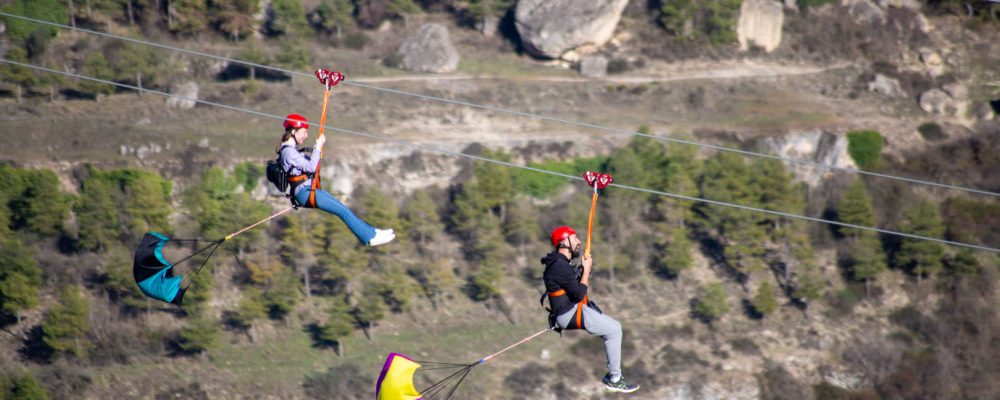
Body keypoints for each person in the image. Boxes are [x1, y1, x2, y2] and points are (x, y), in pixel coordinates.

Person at [541, 226, 639, 393]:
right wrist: (586, 270)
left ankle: (614, 376)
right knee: (614, 330)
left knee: (613, 326)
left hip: (568, 310)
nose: (579, 241)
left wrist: (582, 270)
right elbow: (579, 294)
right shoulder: (559, 266)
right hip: (568, 313)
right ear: (564, 242)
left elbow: (571, 286)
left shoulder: (560, 263)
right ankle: (615, 378)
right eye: (575, 238)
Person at [276, 113, 395, 246]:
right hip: (305, 193)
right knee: (342, 211)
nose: (306, 136)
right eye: (304, 132)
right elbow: (310, 168)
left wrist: (316, 151)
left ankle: (372, 232)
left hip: (307, 190)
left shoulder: (291, 150)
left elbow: (309, 166)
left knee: (342, 208)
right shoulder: (288, 152)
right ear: (293, 131)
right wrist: (318, 148)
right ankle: (369, 238)